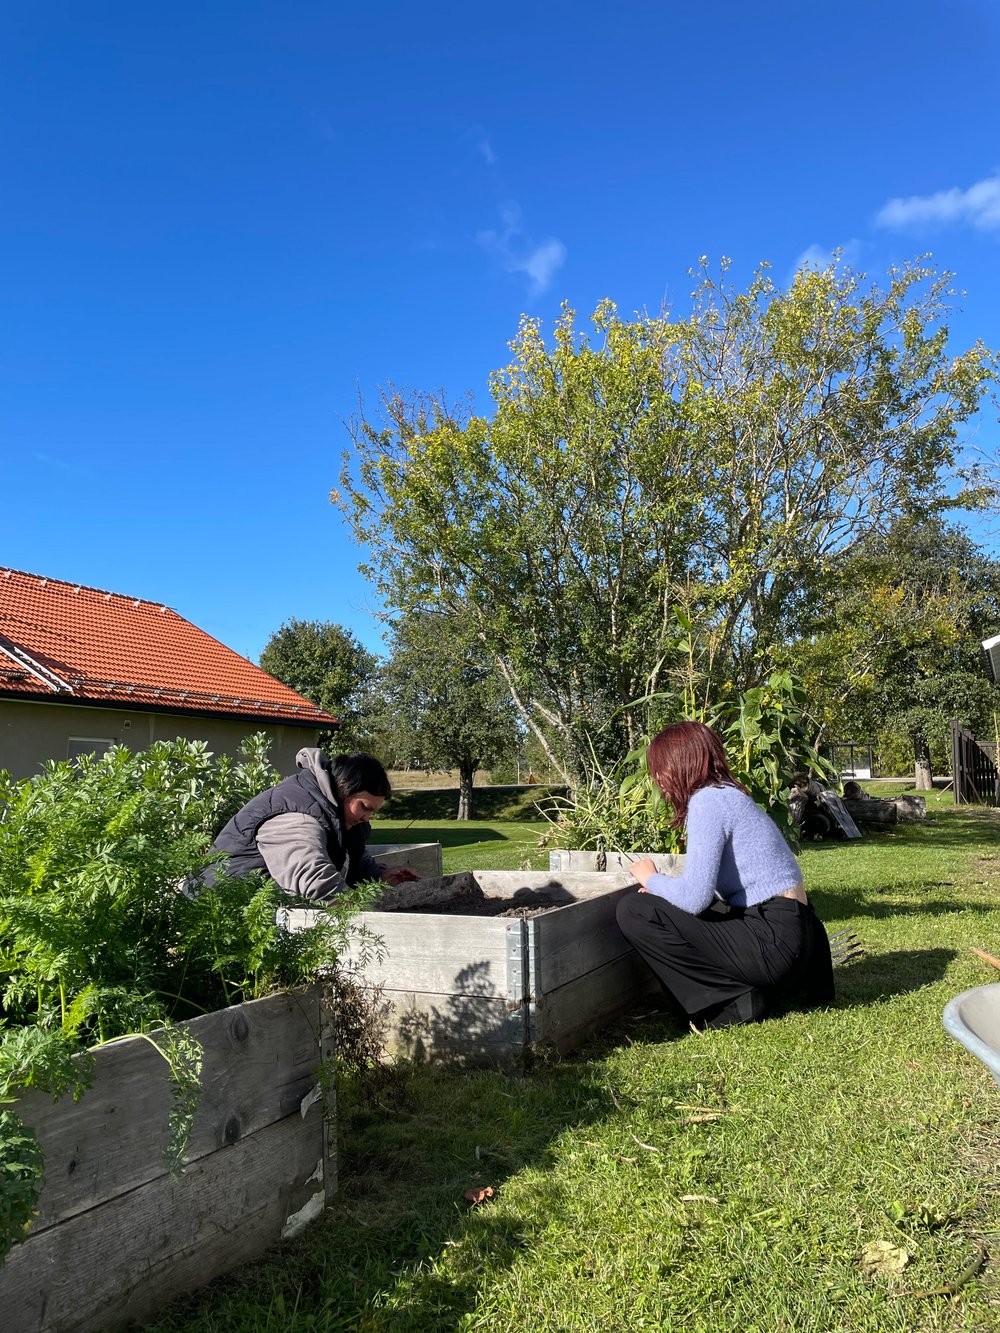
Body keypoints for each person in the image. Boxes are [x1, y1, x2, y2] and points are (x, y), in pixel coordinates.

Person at [616, 721, 834, 1029]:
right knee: (664, 904)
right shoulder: (728, 795)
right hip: (800, 939)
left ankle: (731, 1002)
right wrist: (665, 891)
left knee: (634, 910)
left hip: (774, 942)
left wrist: (650, 878)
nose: (657, 780)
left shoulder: (707, 801)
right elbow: (711, 895)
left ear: (680, 765)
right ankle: (752, 990)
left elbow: (694, 899)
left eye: (659, 770)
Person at [195, 748, 420, 901]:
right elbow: (314, 881)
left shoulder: (340, 817)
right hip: (219, 914)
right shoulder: (298, 815)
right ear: (343, 789)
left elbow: (351, 858)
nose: (366, 818)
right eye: (364, 807)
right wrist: (367, 914)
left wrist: (379, 877)